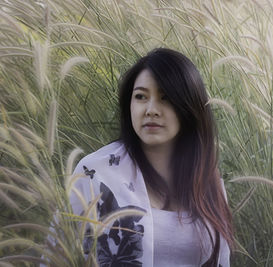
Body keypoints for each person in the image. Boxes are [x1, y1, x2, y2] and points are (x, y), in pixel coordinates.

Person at [70, 48, 234, 266]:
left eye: (166, 98)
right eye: (140, 97)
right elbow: (58, 254)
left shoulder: (207, 180)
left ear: (189, 107)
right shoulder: (95, 174)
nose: (151, 109)